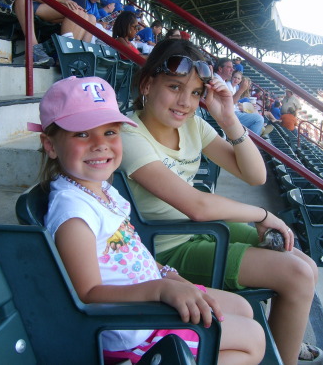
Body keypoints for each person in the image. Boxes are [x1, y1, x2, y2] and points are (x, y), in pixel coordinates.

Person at [29, 75, 266, 364]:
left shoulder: (102, 189)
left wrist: (168, 274)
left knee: (243, 308)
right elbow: (88, 295)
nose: (100, 145)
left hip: (153, 296)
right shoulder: (73, 214)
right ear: (50, 145)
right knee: (252, 340)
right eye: (82, 134)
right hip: (133, 329)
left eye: (110, 132)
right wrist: (161, 289)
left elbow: (130, 249)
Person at [120, 39, 320, 365]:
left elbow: (255, 176)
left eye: (196, 92)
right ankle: (284, 352)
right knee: (296, 275)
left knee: (307, 266)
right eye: (174, 87)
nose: (185, 101)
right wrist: (262, 214)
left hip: (202, 229)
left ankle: (283, 343)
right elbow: (196, 205)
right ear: (146, 83)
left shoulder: (193, 124)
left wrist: (228, 119)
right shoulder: (130, 135)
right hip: (166, 248)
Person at [215, 58, 264, 135]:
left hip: (231, 112)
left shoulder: (223, 81)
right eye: (229, 67)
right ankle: (250, 143)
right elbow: (230, 103)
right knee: (259, 119)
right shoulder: (219, 81)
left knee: (255, 113)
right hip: (228, 115)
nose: (232, 69)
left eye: (232, 67)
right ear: (220, 69)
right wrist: (241, 90)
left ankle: (258, 131)